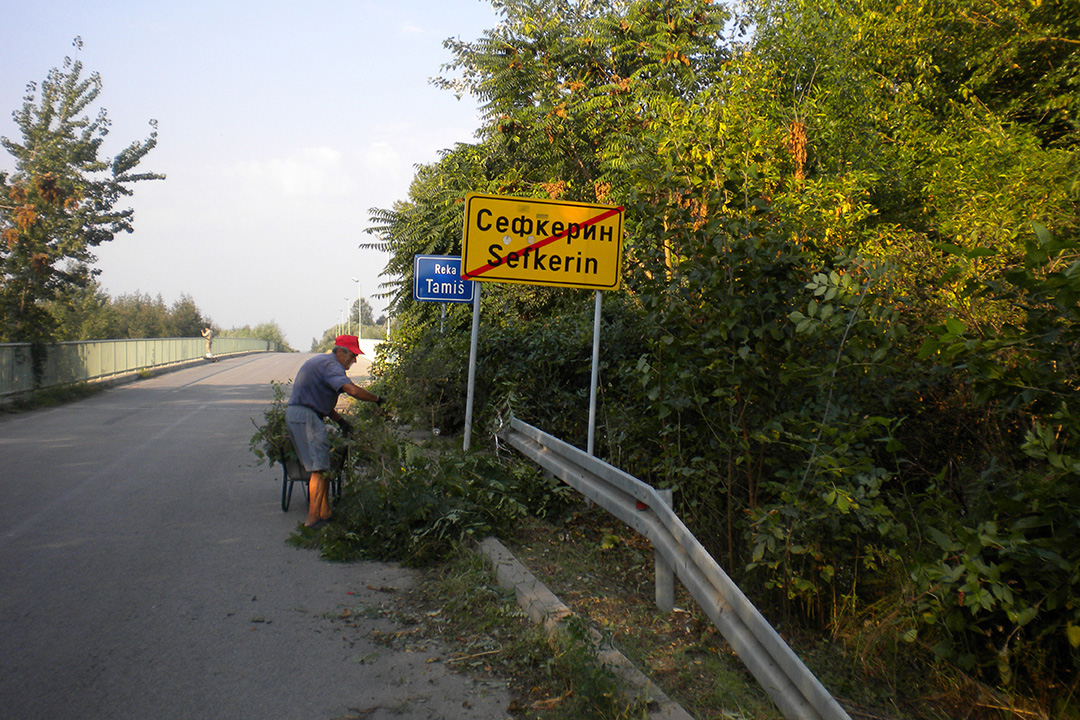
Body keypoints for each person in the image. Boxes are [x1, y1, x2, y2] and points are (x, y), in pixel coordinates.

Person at [285, 335, 384, 529]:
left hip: (304, 415)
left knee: (324, 465)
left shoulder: (323, 363)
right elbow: (352, 391)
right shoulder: (332, 366)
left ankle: (325, 512)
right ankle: (312, 520)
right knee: (319, 468)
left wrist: (341, 421)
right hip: (306, 417)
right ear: (340, 352)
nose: (354, 360)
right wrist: (377, 399)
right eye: (352, 355)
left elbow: (320, 400)